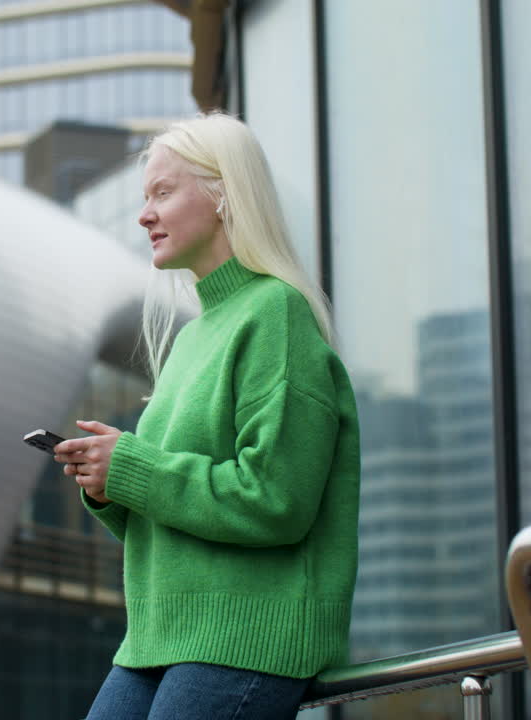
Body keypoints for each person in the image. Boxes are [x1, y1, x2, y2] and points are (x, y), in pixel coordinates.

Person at [51, 112, 361, 720]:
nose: (144, 215)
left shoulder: (276, 314)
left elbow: (275, 500)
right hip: (157, 639)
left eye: (162, 193)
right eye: (146, 197)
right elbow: (185, 520)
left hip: (243, 638)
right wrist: (114, 484)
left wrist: (136, 470)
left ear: (224, 196)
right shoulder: (194, 338)